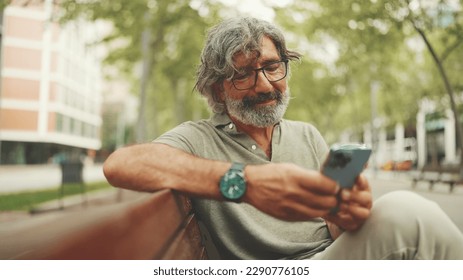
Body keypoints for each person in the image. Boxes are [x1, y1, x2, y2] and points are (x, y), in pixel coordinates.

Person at [103, 16, 463, 259]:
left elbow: (336, 229)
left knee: (401, 214)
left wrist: (350, 212)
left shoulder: (307, 134)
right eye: (242, 74)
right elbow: (122, 164)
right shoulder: (198, 138)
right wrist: (242, 182)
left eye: (272, 66)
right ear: (216, 87)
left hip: (331, 259)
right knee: (411, 214)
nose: (263, 85)